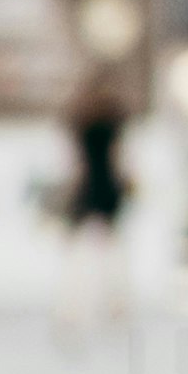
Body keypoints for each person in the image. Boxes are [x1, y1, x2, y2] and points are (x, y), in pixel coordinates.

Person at [49, 62, 133, 343]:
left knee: (81, 252)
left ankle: (75, 308)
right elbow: (118, 156)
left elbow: (74, 160)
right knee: (108, 249)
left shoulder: (79, 116)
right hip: (104, 185)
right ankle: (113, 304)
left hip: (88, 187)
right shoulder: (112, 115)